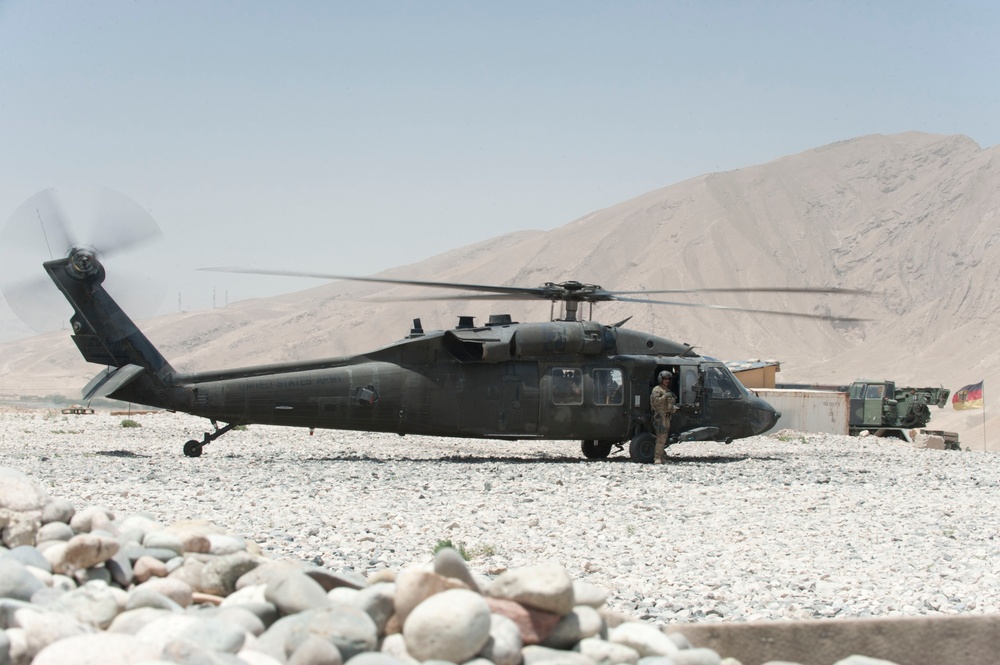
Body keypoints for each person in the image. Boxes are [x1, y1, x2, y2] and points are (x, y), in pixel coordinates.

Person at [650, 370, 678, 464]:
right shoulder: (657, 390)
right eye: (665, 379)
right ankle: (657, 458)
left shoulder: (667, 390)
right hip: (660, 417)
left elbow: (669, 405)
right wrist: (664, 397)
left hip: (667, 417)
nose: (667, 381)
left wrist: (674, 408)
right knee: (660, 438)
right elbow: (655, 402)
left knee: (664, 438)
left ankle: (661, 456)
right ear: (661, 379)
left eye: (668, 379)